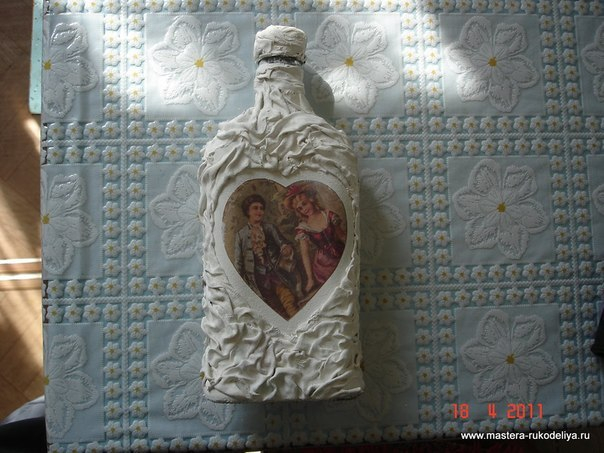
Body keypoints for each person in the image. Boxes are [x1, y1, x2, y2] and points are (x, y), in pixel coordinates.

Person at [234, 194, 299, 320]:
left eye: (261, 208)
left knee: (288, 299)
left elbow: (282, 242)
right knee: (273, 308)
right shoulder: (240, 235)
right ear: (248, 211)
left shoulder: (269, 228)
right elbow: (239, 263)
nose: (259, 211)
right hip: (257, 279)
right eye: (255, 208)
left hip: (275, 272)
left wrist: (285, 247)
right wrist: (239, 284)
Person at [284, 184, 346, 294]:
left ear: (311, 199)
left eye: (304, 204)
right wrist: (310, 279)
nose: (304, 209)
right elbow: (305, 254)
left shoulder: (328, 215)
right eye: (300, 208)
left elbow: (342, 235)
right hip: (323, 265)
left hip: (341, 253)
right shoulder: (303, 228)